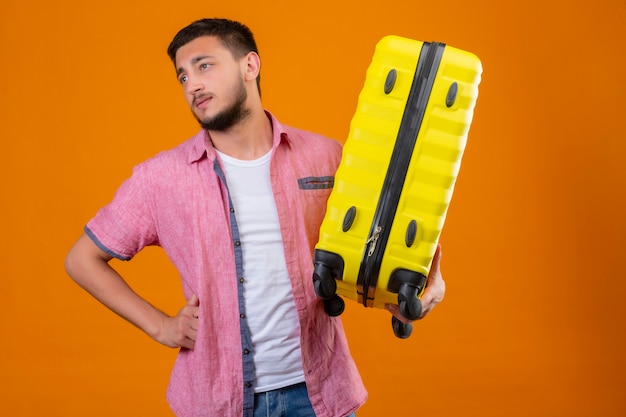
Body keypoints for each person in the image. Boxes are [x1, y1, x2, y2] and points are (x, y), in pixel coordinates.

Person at [64, 18, 445, 417]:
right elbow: (81, 260)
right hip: (217, 404)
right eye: (182, 76)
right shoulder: (160, 178)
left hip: (319, 397)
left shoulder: (324, 156)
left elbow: (372, 247)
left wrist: (416, 287)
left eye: (204, 65)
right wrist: (161, 326)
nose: (192, 84)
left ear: (250, 66)